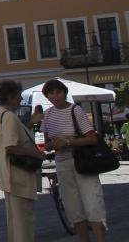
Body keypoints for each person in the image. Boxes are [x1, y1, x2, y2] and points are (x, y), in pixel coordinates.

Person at [40, 79, 107, 242]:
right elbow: (47, 143)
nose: (55, 96)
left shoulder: (76, 110)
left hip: (82, 162)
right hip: (62, 164)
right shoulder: (48, 115)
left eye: (58, 92)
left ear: (64, 93)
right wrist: (52, 145)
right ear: (47, 96)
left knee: (93, 205)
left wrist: (68, 142)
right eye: (51, 93)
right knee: (73, 208)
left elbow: (92, 138)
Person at [0, 81, 42, 242]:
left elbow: (13, 135)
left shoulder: (0, 113)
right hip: (18, 176)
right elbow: (11, 146)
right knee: (23, 223)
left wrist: (30, 123)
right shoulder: (9, 116)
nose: (21, 99)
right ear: (10, 97)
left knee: (16, 222)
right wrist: (37, 154)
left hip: (10, 176)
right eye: (18, 96)